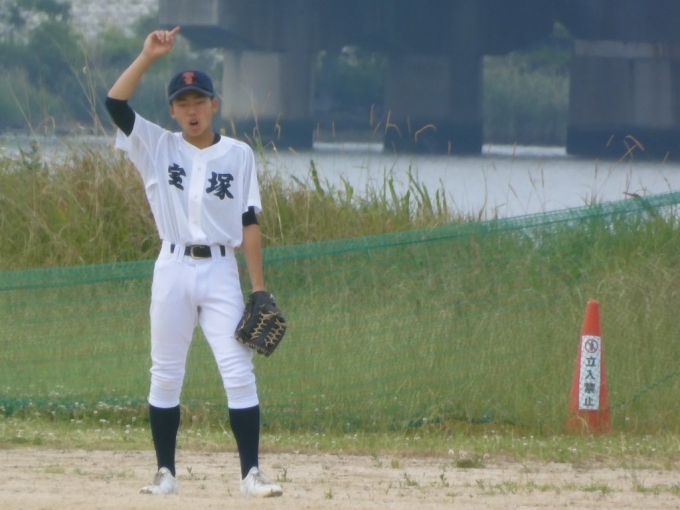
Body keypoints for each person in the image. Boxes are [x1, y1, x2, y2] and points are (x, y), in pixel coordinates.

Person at [104, 26, 283, 498]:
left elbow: (248, 222)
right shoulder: (157, 145)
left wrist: (258, 288)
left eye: (198, 100)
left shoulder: (238, 155)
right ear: (172, 110)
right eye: (182, 102)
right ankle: (165, 473)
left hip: (221, 269)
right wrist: (147, 55)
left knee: (238, 369)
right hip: (172, 267)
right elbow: (115, 104)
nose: (191, 109)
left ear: (214, 104)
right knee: (165, 372)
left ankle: (252, 474)